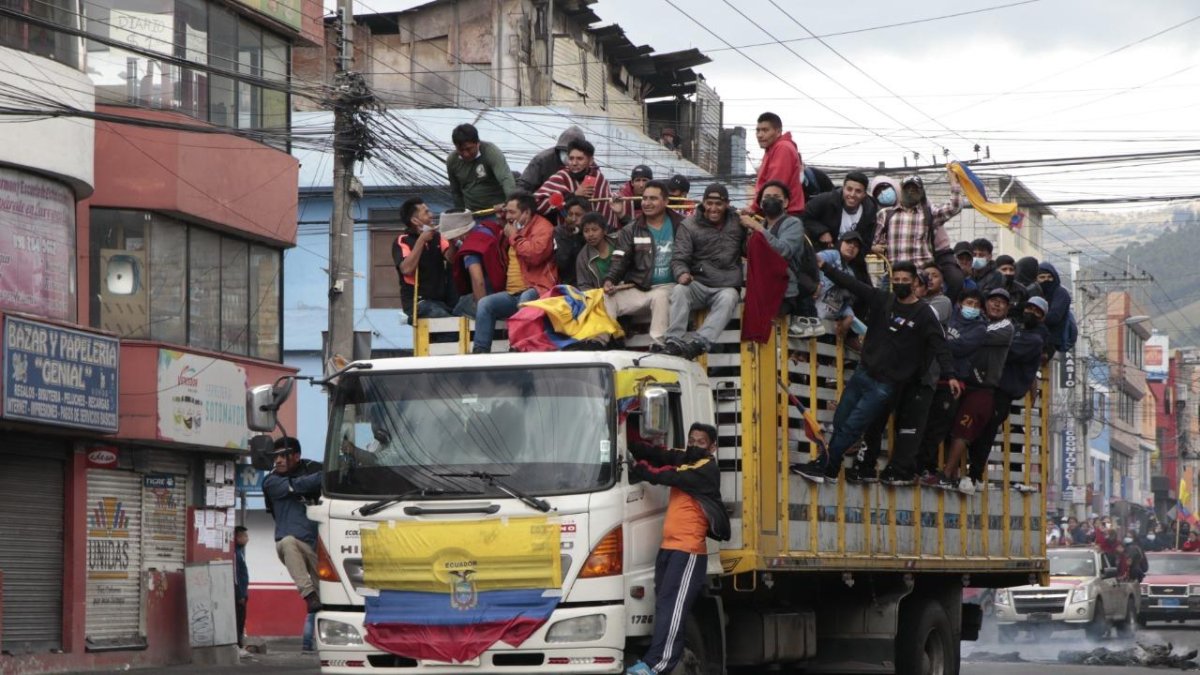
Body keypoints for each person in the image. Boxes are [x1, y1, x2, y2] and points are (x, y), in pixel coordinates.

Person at [792, 260, 957, 484]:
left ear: (915, 282)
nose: (900, 284)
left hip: (885, 384)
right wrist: (825, 267)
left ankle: (823, 465)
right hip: (864, 372)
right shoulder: (883, 299)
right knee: (841, 419)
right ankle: (830, 467)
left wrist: (951, 375)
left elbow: (940, 345)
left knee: (854, 425)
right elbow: (853, 284)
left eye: (905, 281)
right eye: (896, 280)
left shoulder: (925, 314)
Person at [624, 423, 729, 675]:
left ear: (712, 447)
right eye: (691, 440)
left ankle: (657, 665)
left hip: (688, 552)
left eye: (700, 442)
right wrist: (630, 443)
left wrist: (636, 469)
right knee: (663, 606)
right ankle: (652, 662)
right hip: (669, 547)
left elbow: (668, 474)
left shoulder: (706, 469)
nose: (693, 445)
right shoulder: (688, 458)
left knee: (673, 609)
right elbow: (662, 454)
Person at [851, 270, 942, 485]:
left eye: (914, 284)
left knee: (908, 427)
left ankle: (900, 469)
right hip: (891, 376)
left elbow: (937, 346)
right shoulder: (891, 306)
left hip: (918, 380)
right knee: (876, 417)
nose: (911, 288)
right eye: (901, 282)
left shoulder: (927, 312)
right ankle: (866, 465)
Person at [937, 288, 1015, 493]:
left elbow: (971, 338)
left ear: (1007, 307)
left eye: (1002, 302)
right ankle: (950, 474)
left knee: (964, 429)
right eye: (992, 300)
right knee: (947, 426)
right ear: (984, 304)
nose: (997, 304)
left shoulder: (1004, 327)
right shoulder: (974, 322)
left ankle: (947, 474)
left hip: (983, 389)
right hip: (962, 382)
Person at [965, 295, 1047, 488]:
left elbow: (1007, 352)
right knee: (975, 427)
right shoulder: (1013, 327)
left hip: (1003, 392)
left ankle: (975, 475)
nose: (1032, 313)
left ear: (1042, 318)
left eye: (1037, 312)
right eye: (1030, 308)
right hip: (988, 385)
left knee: (987, 431)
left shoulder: (1034, 340)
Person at [663, 183, 746, 359]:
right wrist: (682, 273)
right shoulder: (689, 225)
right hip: (698, 283)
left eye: (719, 204)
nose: (713, 208)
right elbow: (679, 257)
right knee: (679, 291)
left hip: (726, 285)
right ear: (703, 203)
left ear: (727, 204)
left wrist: (752, 229)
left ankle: (700, 343)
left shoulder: (739, 223)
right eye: (709, 203)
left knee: (729, 297)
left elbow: (750, 250)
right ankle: (673, 341)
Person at [472, 192, 558, 353]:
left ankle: (518, 348)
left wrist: (514, 236)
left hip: (538, 289)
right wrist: (504, 226)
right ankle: (479, 352)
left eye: (512, 212)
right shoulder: (513, 229)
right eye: (507, 212)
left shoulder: (543, 227)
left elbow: (534, 256)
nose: (508, 216)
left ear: (526, 212)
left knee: (525, 300)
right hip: (513, 293)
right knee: (485, 304)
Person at [603, 181, 682, 347]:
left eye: (653, 198)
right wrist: (610, 280)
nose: (646, 203)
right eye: (645, 198)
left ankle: (658, 345)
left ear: (666, 201)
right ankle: (608, 341)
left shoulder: (681, 225)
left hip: (669, 287)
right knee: (607, 297)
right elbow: (620, 259)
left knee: (661, 296)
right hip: (640, 287)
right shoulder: (631, 229)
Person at [741, 180, 820, 338]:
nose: (770, 199)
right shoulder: (761, 225)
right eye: (766, 197)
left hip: (785, 291)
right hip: (761, 288)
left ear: (785, 203)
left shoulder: (793, 224)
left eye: (776, 196)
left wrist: (758, 228)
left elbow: (783, 251)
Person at [874, 172, 964, 297]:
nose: (911, 191)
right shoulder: (885, 214)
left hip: (921, 280)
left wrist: (954, 182)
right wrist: (875, 247)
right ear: (901, 189)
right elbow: (872, 241)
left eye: (915, 188)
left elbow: (955, 207)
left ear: (921, 192)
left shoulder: (929, 213)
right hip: (896, 279)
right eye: (907, 188)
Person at [261, 438, 323, 619]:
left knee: (326, 598)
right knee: (287, 542)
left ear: (296, 456)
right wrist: (324, 477)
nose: (278, 460)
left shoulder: (313, 468)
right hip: (291, 545)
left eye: (283, 456)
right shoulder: (270, 482)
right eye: (275, 457)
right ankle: (308, 595)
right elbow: (299, 485)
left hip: (316, 547)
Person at [393, 197, 458, 321]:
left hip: (441, 302)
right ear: (415, 220)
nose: (431, 215)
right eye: (426, 212)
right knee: (447, 322)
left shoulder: (438, 237)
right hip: (418, 303)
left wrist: (450, 238)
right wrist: (421, 240)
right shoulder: (403, 240)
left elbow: (452, 259)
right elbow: (406, 269)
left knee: (461, 314)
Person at [534, 138, 618, 230]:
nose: (574, 163)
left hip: (597, 236)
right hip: (569, 236)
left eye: (580, 159)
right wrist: (574, 196)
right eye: (571, 158)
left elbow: (607, 205)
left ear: (590, 161)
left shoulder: (599, 178)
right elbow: (536, 203)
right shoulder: (561, 177)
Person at [801, 171, 877, 255]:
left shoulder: (870, 212)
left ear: (864, 194)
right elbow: (803, 215)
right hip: (821, 255)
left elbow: (866, 243)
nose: (852, 194)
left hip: (852, 261)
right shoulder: (826, 200)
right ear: (843, 188)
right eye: (849, 189)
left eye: (858, 191)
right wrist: (821, 231)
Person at [446, 123, 516, 213]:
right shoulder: (452, 161)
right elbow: (456, 192)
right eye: (460, 150)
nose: (465, 154)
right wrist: (461, 214)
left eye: (469, 149)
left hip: (497, 211)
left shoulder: (491, 152)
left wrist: (510, 205)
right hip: (472, 214)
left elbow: (505, 179)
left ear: (477, 143)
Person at [815, 231, 867, 341]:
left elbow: (846, 302)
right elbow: (813, 260)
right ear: (841, 243)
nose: (852, 246)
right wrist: (814, 285)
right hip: (813, 307)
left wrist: (849, 316)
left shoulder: (851, 274)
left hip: (828, 317)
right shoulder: (832, 255)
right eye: (849, 242)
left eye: (856, 246)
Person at [752, 112, 805, 216]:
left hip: (785, 214)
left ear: (778, 132)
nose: (760, 135)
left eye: (765, 130)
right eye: (758, 130)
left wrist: (754, 208)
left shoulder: (782, 148)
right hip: (776, 212)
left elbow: (775, 187)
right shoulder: (772, 149)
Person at [517, 125, 587, 192]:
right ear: (558, 149)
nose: (570, 156)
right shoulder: (542, 160)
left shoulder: (587, 163)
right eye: (565, 151)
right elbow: (524, 186)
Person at [1037, 262, 1073, 357]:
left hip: (1051, 340)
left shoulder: (1060, 293)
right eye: (1042, 277)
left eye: (1049, 277)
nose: (1046, 280)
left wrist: (1034, 319)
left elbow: (1054, 317)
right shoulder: (1035, 292)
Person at [574, 212, 617, 291]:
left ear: (604, 231)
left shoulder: (618, 241)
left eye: (594, 230)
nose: (590, 234)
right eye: (586, 231)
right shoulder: (583, 258)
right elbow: (584, 286)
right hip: (603, 297)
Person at [553, 196, 589, 286]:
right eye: (570, 214)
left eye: (578, 215)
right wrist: (570, 236)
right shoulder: (560, 232)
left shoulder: (592, 231)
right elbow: (562, 263)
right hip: (569, 283)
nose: (573, 219)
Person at [234, 525, 250, 656]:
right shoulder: (235, 554)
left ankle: (240, 644)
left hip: (243, 593)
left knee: (242, 619)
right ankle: (238, 646)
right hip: (239, 594)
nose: (247, 539)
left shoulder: (240, 552)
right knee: (238, 620)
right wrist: (240, 594)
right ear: (238, 537)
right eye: (245, 536)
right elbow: (236, 576)